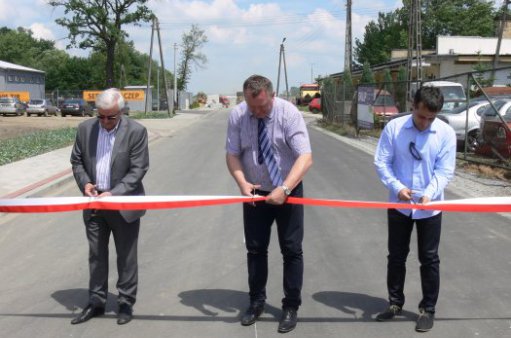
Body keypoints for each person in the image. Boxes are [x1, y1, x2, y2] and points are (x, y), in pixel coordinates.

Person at [226, 75, 313, 333]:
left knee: (291, 249)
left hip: (288, 190)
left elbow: (305, 157)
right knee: (255, 249)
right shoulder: (238, 115)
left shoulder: (289, 114)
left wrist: (285, 188)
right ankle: (256, 302)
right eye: (252, 107)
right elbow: (232, 154)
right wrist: (242, 183)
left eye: (262, 107)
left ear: (271, 96)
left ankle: (291, 306)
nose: (257, 112)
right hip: (255, 193)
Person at [373, 86, 456, 332]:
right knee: (396, 256)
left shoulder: (445, 133)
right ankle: (395, 303)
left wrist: (430, 192)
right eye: (421, 116)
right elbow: (382, 162)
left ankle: (427, 309)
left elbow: (445, 170)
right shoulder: (395, 129)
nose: (425, 122)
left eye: (431, 118)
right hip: (399, 204)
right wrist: (397, 187)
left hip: (430, 208)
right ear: (413, 106)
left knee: (429, 258)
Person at [70, 88, 149, 325]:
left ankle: (125, 302)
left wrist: (113, 193)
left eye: (110, 117)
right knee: (96, 255)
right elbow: (77, 161)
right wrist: (85, 184)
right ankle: (96, 301)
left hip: (123, 204)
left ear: (122, 112)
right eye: (100, 116)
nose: (105, 121)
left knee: (126, 256)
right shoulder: (85, 129)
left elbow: (138, 169)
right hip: (94, 205)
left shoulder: (136, 131)